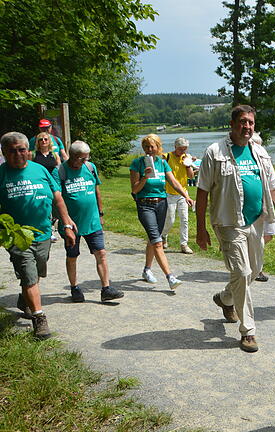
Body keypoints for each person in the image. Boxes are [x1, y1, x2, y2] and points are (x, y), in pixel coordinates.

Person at [196, 105, 275, 353]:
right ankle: (248, 331)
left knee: (253, 271)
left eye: (251, 123)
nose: (248, 127)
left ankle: (225, 298)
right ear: (232, 124)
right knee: (242, 272)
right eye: (243, 122)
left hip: (256, 220)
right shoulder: (214, 152)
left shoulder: (260, 151)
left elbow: (273, 186)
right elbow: (202, 192)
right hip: (229, 222)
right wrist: (200, 228)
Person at [0, 131, 76, 339]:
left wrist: (67, 224)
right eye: (12, 151)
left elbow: (57, 198)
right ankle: (39, 318)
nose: (18, 155)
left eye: (22, 150)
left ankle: (25, 299)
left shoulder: (40, 170)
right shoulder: (1, 174)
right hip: (17, 236)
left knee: (38, 270)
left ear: (28, 150)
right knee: (29, 274)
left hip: (43, 233)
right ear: (4, 153)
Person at [55, 140, 124, 303]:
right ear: (73, 156)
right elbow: (57, 198)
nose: (86, 161)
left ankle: (106, 289)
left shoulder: (90, 168)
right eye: (82, 159)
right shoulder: (60, 171)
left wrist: (100, 213)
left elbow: (96, 190)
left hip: (92, 221)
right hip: (72, 224)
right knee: (72, 256)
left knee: (101, 253)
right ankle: (75, 288)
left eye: (87, 158)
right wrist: (65, 223)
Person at [129, 134, 193, 290]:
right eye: (146, 147)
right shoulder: (137, 163)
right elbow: (135, 189)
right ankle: (170, 277)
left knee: (153, 239)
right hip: (145, 205)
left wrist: (186, 196)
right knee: (157, 242)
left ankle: (147, 270)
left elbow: (174, 182)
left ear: (158, 147)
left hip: (161, 204)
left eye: (153, 147)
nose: (150, 150)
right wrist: (145, 176)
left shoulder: (163, 163)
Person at [160, 137, 195, 254]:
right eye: (181, 149)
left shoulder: (186, 158)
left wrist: (188, 164)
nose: (183, 152)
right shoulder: (167, 157)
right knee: (170, 219)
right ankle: (163, 236)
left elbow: (191, 176)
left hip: (183, 193)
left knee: (184, 219)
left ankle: (184, 244)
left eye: (185, 149)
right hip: (169, 193)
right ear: (175, 147)